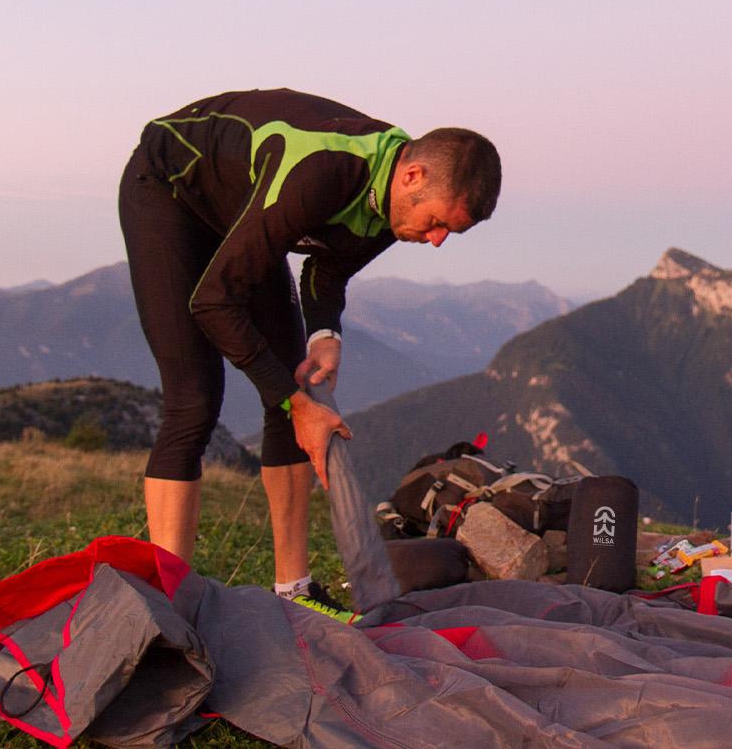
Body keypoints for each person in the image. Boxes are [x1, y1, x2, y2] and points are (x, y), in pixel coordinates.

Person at [117, 88, 500, 614]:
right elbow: (213, 303)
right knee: (195, 400)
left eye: (450, 232)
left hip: (240, 207)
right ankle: (168, 606)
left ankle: (293, 591)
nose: (436, 240)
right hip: (167, 192)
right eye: (437, 223)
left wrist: (324, 337)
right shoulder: (320, 173)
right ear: (413, 176)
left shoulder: (393, 201)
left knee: (293, 393)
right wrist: (296, 403)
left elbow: (328, 266)